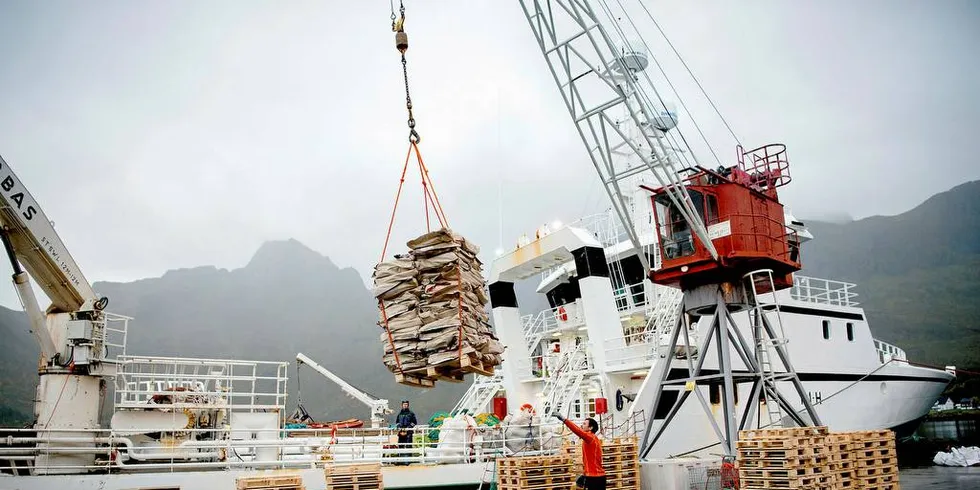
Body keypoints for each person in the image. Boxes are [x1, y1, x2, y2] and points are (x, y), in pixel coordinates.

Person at [555, 413, 605, 490]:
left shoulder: (590, 437)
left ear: (590, 427)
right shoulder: (590, 438)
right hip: (592, 476)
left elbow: (577, 430)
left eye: (584, 424)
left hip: (595, 477)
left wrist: (564, 419)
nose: (582, 425)